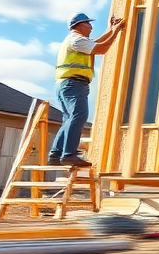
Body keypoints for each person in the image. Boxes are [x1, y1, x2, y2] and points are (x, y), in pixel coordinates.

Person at [49, 12, 125, 166]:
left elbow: (96, 43)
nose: (91, 27)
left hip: (69, 84)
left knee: (69, 119)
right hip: (73, 83)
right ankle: (68, 154)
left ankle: (56, 155)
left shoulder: (78, 40)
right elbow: (102, 48)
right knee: (79, 115)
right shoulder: (76, 40)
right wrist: (116, 31)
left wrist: (111, 30)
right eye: (88, 23)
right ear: (78, 25)